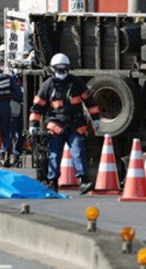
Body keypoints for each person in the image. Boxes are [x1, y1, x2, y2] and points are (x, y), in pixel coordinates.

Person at [29, 53, 100, 194]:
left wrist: (96, 118)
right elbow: (37, 107)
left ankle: (83, 181)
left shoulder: (76, 82)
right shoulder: (47, 85)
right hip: (56, 125)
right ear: (53, 69)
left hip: (75, 124)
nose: (62, 72)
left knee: (78, 151)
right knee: (54, 154)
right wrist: (33, 125)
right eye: (58, 69)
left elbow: (89, 101)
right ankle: (53, 182)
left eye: (64, 68)